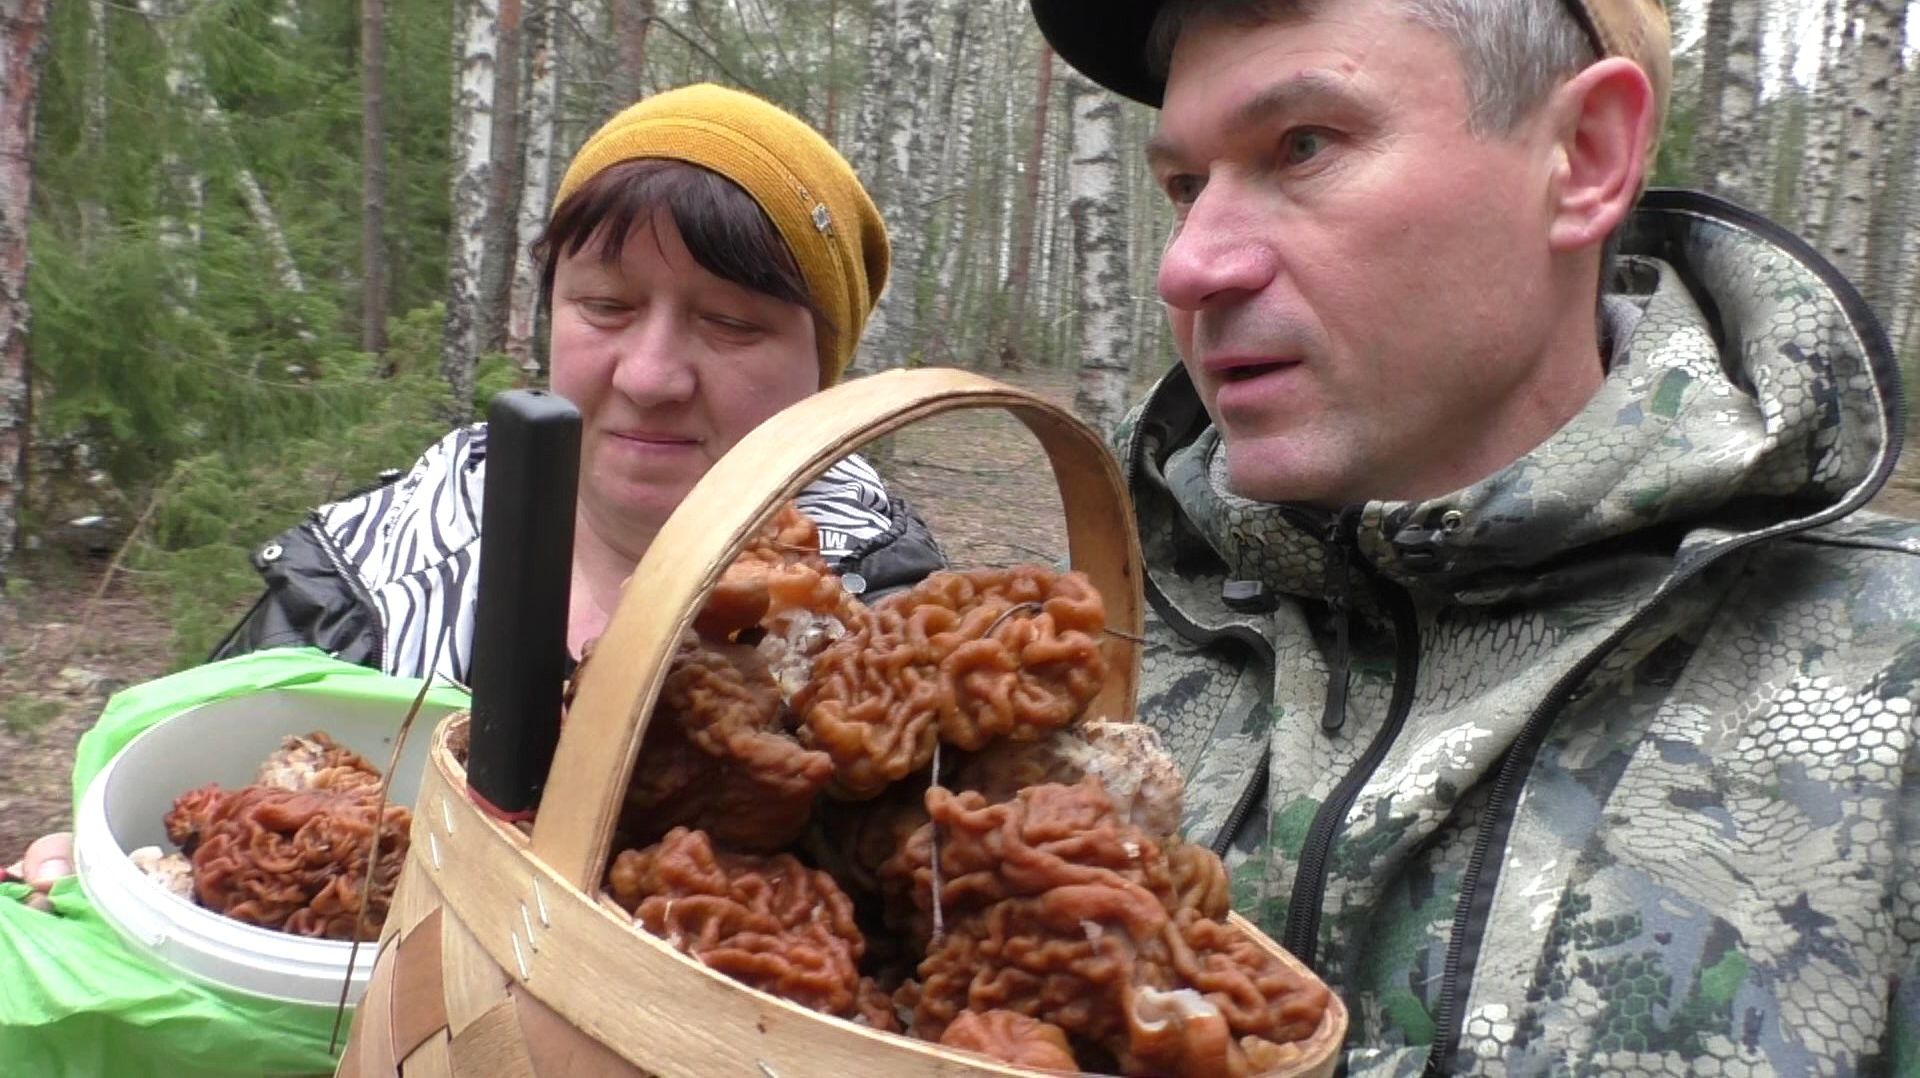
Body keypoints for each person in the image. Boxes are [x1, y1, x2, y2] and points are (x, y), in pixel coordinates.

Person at [1030, 0, 1918, 1073]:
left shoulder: (1890, 701)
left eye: (1302, 145)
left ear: (1584, 158)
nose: (1189, 266)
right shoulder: (1096, 631)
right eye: (1184, 185)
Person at [9, 84, 943, 899]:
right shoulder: (363, 582)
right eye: (605, 306)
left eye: (733, 323)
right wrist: (99, 855)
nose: (652, 374)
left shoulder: (901, 619)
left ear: (826, 371)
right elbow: (186, 808)